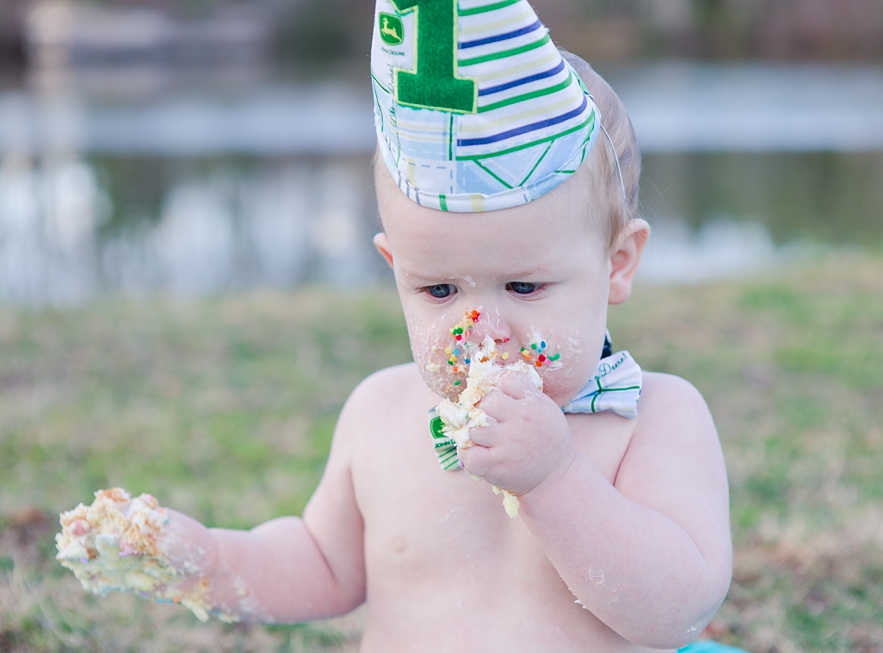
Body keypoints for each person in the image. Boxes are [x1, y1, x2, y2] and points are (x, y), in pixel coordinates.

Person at [68, 1, 738, 650]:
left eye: (525, 285)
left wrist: (556, 477)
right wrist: (209, 558)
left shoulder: (654, 421)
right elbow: (319, 565)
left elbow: (674, 611)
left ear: (618, 264)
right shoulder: (379, 416)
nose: (485, 330)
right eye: (440, 288)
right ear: (396, 268)